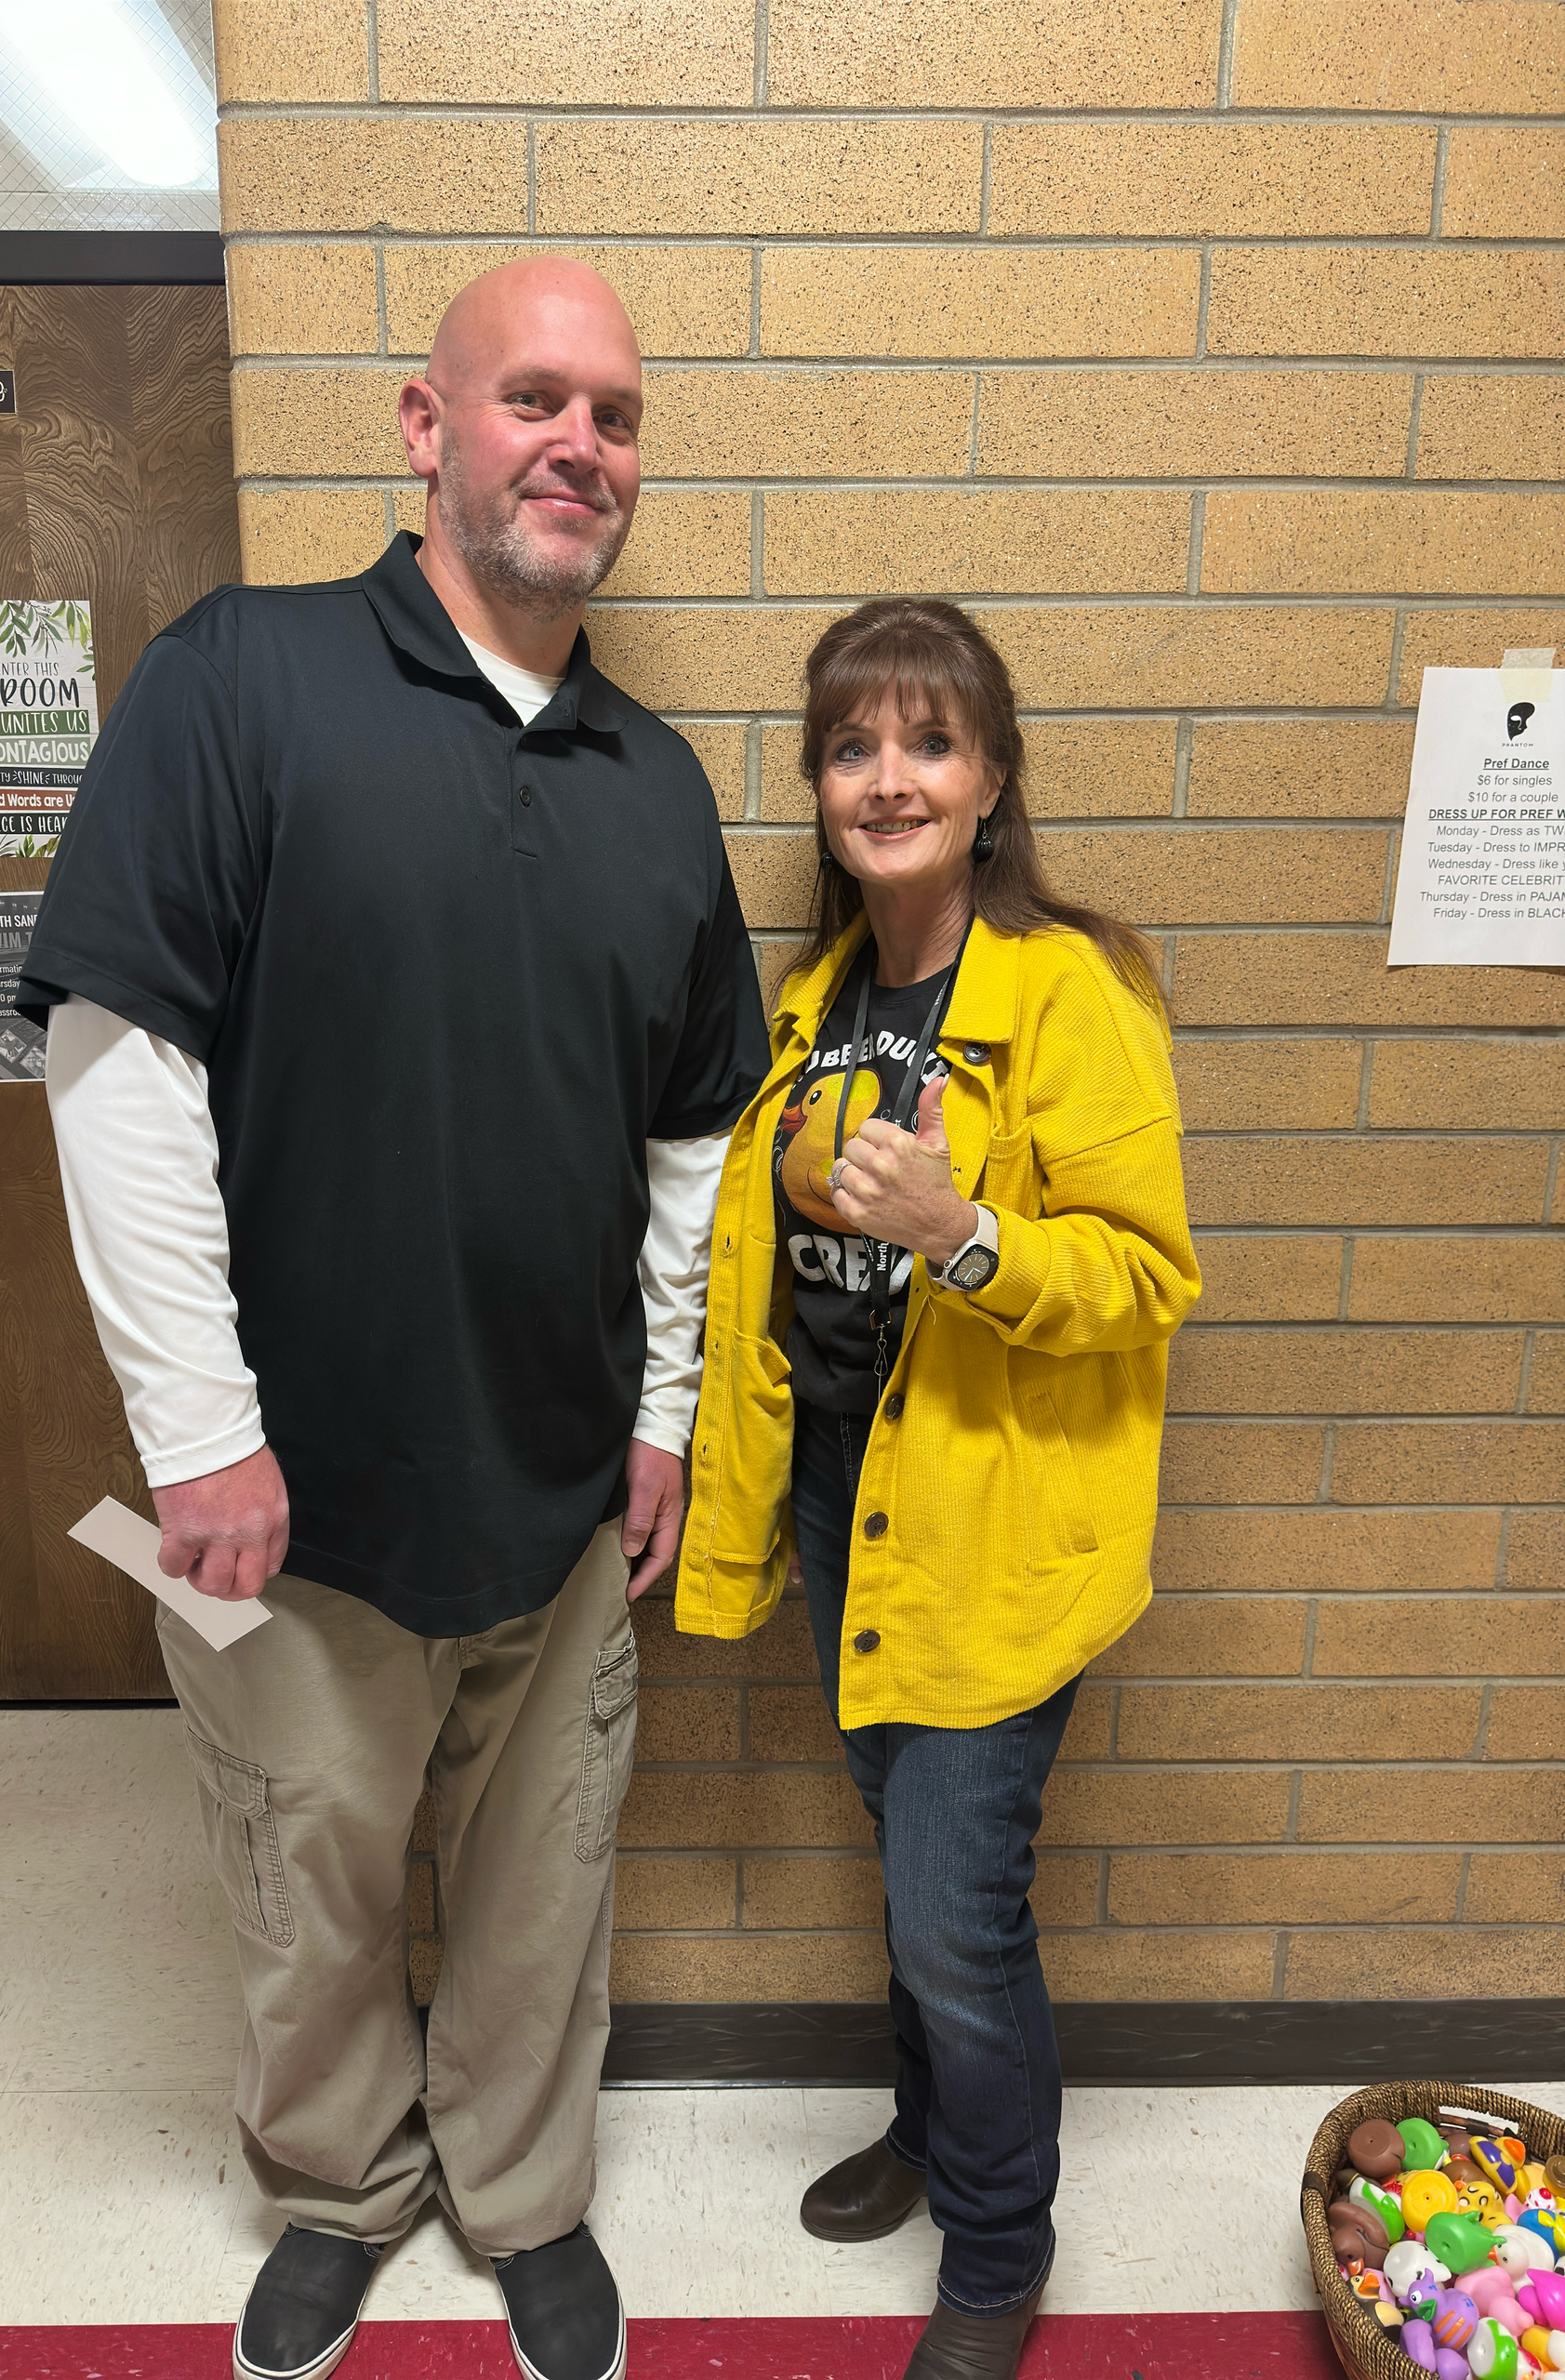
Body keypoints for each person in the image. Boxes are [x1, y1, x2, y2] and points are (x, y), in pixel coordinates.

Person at [20, 258, 768, 2380]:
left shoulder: (657, 782)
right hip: (295, 1496)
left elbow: (695, 1136)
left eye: (617, 413)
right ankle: (340, 2183)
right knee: (308, 1888)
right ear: (425, 427)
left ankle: (521, 2189)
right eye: (534, 397)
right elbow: (113, 1051)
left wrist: (667, 1409)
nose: (582, 444)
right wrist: (196, 1430)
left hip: (557, 1494)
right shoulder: (240, 682)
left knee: (545, 1893)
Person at [675, 599, 1200, 2380]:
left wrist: (965, 1238)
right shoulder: (818, 1002)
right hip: (847, 1502)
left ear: (991, 782)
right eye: (850, 746)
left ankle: (995, 2252)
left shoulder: (1072, 992)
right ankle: (927, 2124)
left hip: (990, 1521)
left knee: (959, 1915)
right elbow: (774, 1271)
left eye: (927, 743)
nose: (885, 778)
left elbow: (1145, 1279)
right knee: (903, 1861)